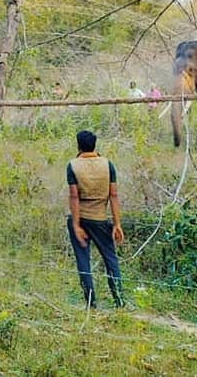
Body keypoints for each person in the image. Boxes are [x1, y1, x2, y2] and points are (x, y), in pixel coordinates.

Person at [66, 130, 124, 309]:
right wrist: (116, 224)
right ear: (95, 145)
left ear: (78, 145)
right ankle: (119, 299)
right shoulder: (108, 165)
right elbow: (113, 195)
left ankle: (91, 303)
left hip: (81, 218)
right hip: (100, 218)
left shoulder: (73, 166)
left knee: (83, 261)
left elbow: (74, 197)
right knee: (110, 259)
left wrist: (76, 225)